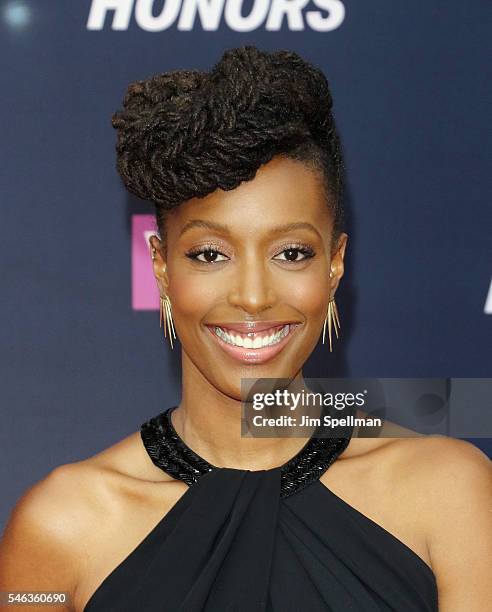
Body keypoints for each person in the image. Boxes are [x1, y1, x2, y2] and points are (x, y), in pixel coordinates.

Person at [1, 45, 491, 612]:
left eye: (290, 252)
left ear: (335, 264)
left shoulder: (448, 492)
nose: (253, 297)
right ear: (160, 267)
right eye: (210, 254)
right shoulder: (62, 525)